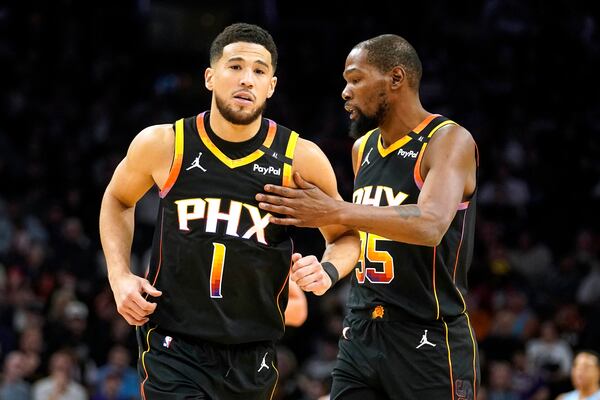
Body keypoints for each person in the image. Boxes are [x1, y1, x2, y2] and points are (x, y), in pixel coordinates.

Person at [99, 22, 359, 399]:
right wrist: (119, 275)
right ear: (210, 77)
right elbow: (118, 198)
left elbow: (346, 235)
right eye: (235, 66)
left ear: (271, 85)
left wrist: (329, 269)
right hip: (174, 346)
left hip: (254, 352)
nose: (247, 79)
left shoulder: (299, 158)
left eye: (259, 70)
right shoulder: (165, 143)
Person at [256, 34, 480, 399]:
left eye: (355, 79)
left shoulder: (448, 140)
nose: (345, 91)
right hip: (361, 330)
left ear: (395, 79)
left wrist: (334, 210)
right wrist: (328, 270)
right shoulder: (363, 149)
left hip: (428, 336)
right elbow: (365, 231)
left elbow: (430, 224)